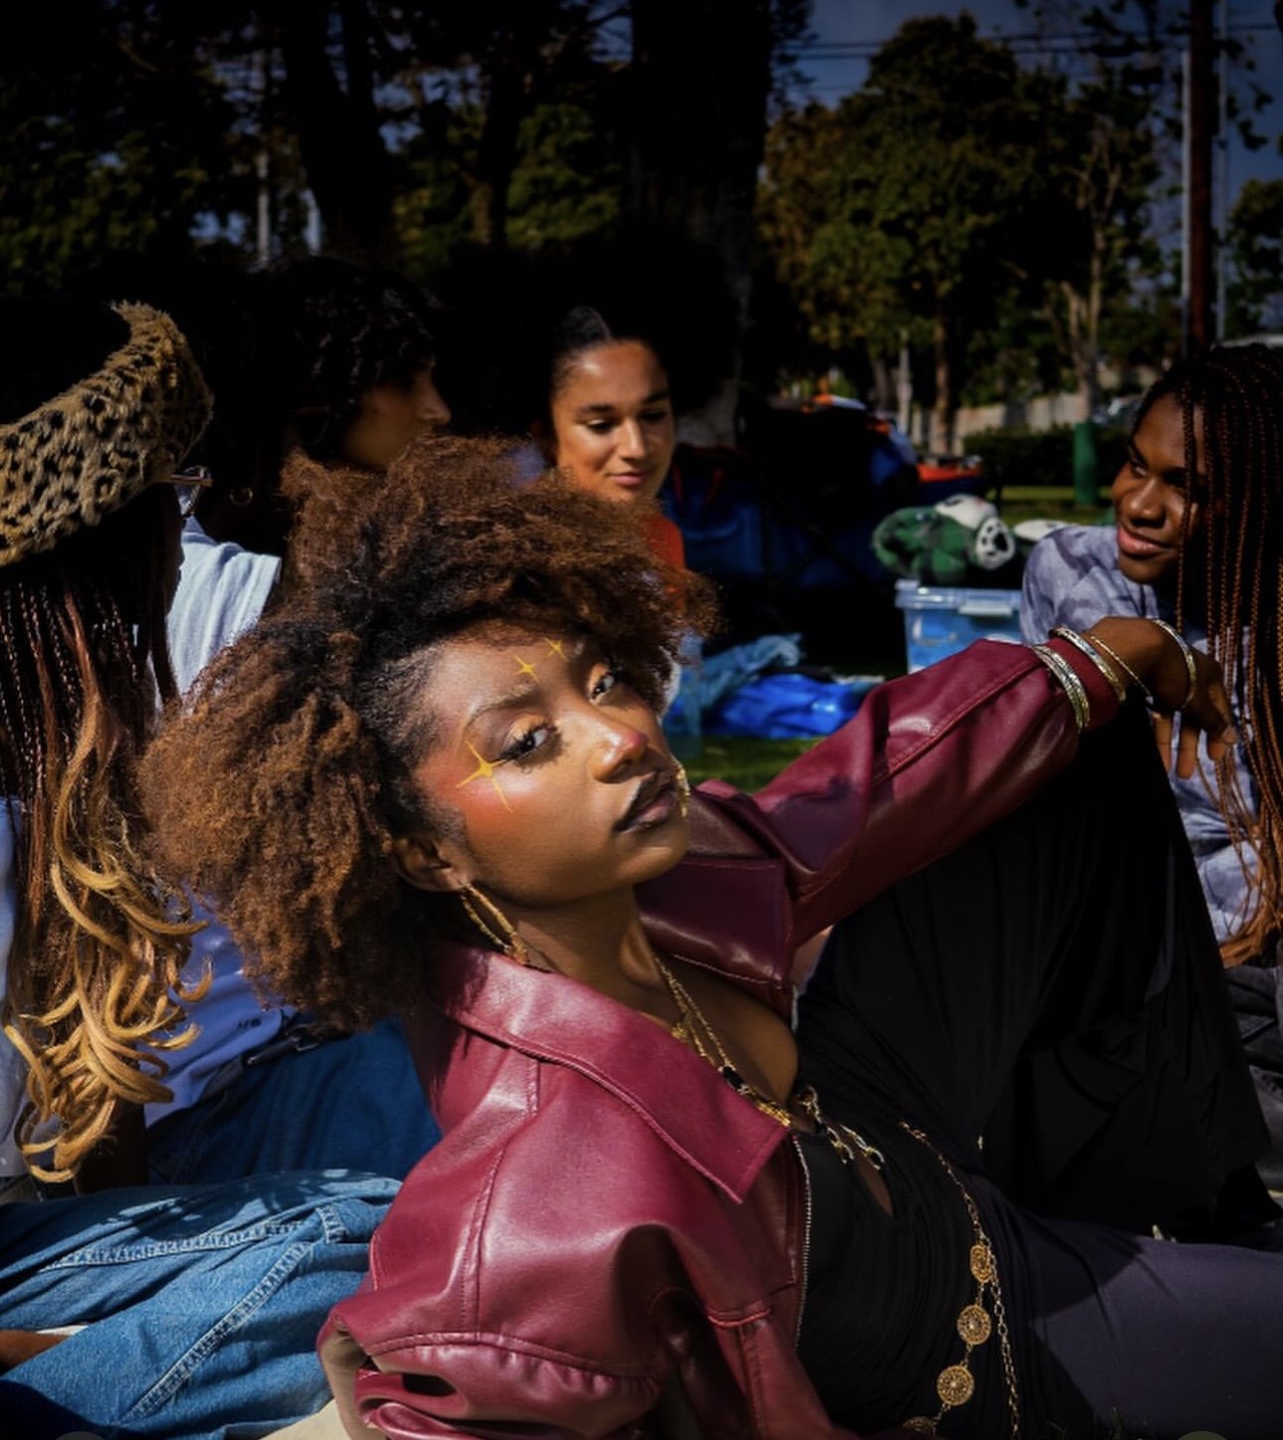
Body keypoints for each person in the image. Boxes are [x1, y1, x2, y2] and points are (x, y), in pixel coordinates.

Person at [142, 436, 1279, 1440]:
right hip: (968, 1344)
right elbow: (458, 1368)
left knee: (1064, 754)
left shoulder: (664, 876)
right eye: (527, 743)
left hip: (894, 1137)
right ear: (426, 854)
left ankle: (1175, 1183)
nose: (620, 739)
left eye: (602, 684)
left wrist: (1109, 655)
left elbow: (868, 789)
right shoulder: (537, 1206)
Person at [0, 299, 396, 1439]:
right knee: (382, 1246)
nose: (185, 536)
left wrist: (155, 1279)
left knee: (469, 1189)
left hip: (52, 1247)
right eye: (162, 504)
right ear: (82, 566)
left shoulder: (63, 780)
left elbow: (98, 1141)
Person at [145, 257, 449, 1185]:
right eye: (407, 381)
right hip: (233, 1102)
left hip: (296, 1054)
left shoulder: (216, 574)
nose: (436, 412)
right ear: (316, 409)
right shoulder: (238, 595)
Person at [1022, 342, 1283, 1200]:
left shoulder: (1272, 631)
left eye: (1188, 488)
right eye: (1137, 466)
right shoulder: (1069, 573)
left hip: (1242, 993)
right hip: (1099, 969)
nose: (1139, 504)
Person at [533, 305, 686, 572]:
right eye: (601, 425)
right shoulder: (519, 558)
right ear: (546, 436)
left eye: (653, 416)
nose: (636, 448)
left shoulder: (662, 539)